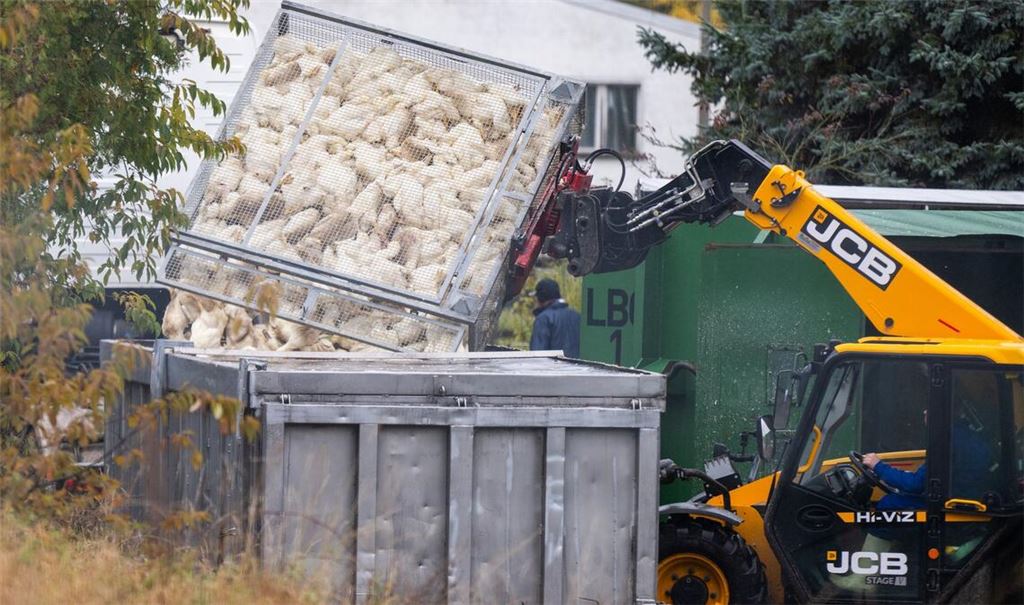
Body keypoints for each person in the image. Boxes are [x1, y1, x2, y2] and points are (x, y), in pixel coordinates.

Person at [529, 278, 580, 357]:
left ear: (540, 298)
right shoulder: (577, 316)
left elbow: (537, 354)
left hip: (554, 368)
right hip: (578, 368)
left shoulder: (544, 319)